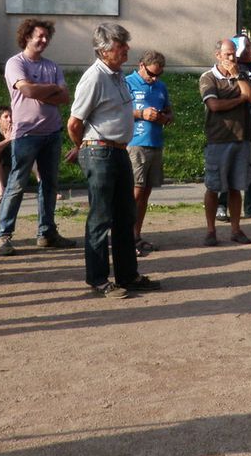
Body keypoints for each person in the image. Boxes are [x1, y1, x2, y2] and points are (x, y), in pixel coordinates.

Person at [66, 23, 161, 298]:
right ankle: (97, 279)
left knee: (125, 215)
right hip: (100, 152)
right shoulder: (94, 77)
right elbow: (74, 122)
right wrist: (83, 147)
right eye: (121, 46)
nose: (127, 49)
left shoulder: (117, 75)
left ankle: (128, 276)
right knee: (101, 217)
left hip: (119, 151)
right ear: (105, 50)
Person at [0, 18, 73, 255]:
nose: (44, 40)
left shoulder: (52, 66)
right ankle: (2, 236)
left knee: (49, 185)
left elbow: (65, 97)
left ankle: (47, 233)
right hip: (26, 134)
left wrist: (42, 92)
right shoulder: (15, 63)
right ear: (26, 36)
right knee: (16, 185)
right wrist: (51, 89)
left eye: (46, 36)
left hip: (52, 133)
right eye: (39, 35)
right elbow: (26, 90)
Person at [200, 39, 251, 245]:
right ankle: (210, 230)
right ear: (218, 56)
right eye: (227, 54)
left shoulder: (241, 74)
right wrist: (239, 99)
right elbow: (214, 105)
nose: (232, 58)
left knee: (236, 186)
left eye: (234, 53)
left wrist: (237, 75)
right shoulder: (208, 78)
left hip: (242, 137)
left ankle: (236, 229)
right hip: (218, 139)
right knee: (214, 187)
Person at [216, 35, 251, 221]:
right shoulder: (228, 69)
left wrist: (246, 91)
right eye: (244, 46)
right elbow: (227, 93)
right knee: (227, 166)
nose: (248, 49)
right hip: (231, 126)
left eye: (249, 45)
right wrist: (248, 92)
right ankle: (222, 206)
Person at [125, 50, 173, 256]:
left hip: (155, 143)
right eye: (151, 74)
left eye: (158, 75)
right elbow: (116, 111)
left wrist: (164, 118)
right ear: (141, 65)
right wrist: (140, 113)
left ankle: (136, 235)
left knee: (145, 194)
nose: (154, 78)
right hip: (134, 144)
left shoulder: (161, 86)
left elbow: (170, 113)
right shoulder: (127, 83)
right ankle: (125, 239)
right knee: (134, 193)